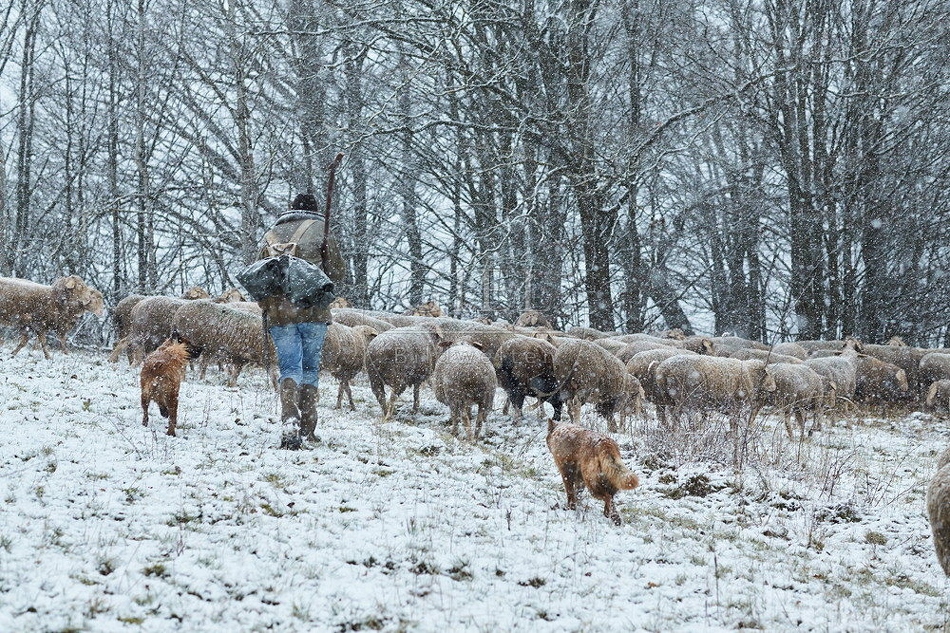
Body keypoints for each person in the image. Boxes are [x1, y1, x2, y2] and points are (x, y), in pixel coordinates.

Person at [256, 192, 346, 449]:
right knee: (309, 368)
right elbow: (338, 272)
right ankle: (308, 427)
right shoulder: (321, 229)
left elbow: (258, 272)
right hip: (314, 312)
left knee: (289, 368)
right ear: (315, 209)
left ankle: (289, 422)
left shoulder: (271, 235)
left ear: (290, 209)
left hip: (280, 314)